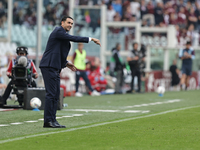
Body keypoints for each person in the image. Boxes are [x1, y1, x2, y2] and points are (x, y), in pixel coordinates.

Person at [39, 16, 101, 128]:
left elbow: (57, 52)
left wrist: (67, 63)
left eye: (72, 23)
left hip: (55, 67)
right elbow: (74, 38)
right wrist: (90, 39)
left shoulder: (64, 38)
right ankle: (48, 121)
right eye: (68, 23)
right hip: (48, 66)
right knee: (51, 94)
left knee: (56, 95)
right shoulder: (58, 30)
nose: (70, 25)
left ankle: (53, 120)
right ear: (62, 22)